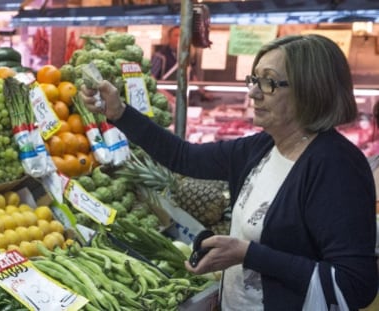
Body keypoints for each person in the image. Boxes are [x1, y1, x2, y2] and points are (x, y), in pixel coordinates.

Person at [79, 34, 378, 310]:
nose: (254, 93)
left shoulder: (337, 168)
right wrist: (119, 113)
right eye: (254, 80)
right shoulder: (263, 147)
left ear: (310, 89)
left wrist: (249, 254)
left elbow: (355, 285)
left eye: (269, 83)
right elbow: (184, 157)